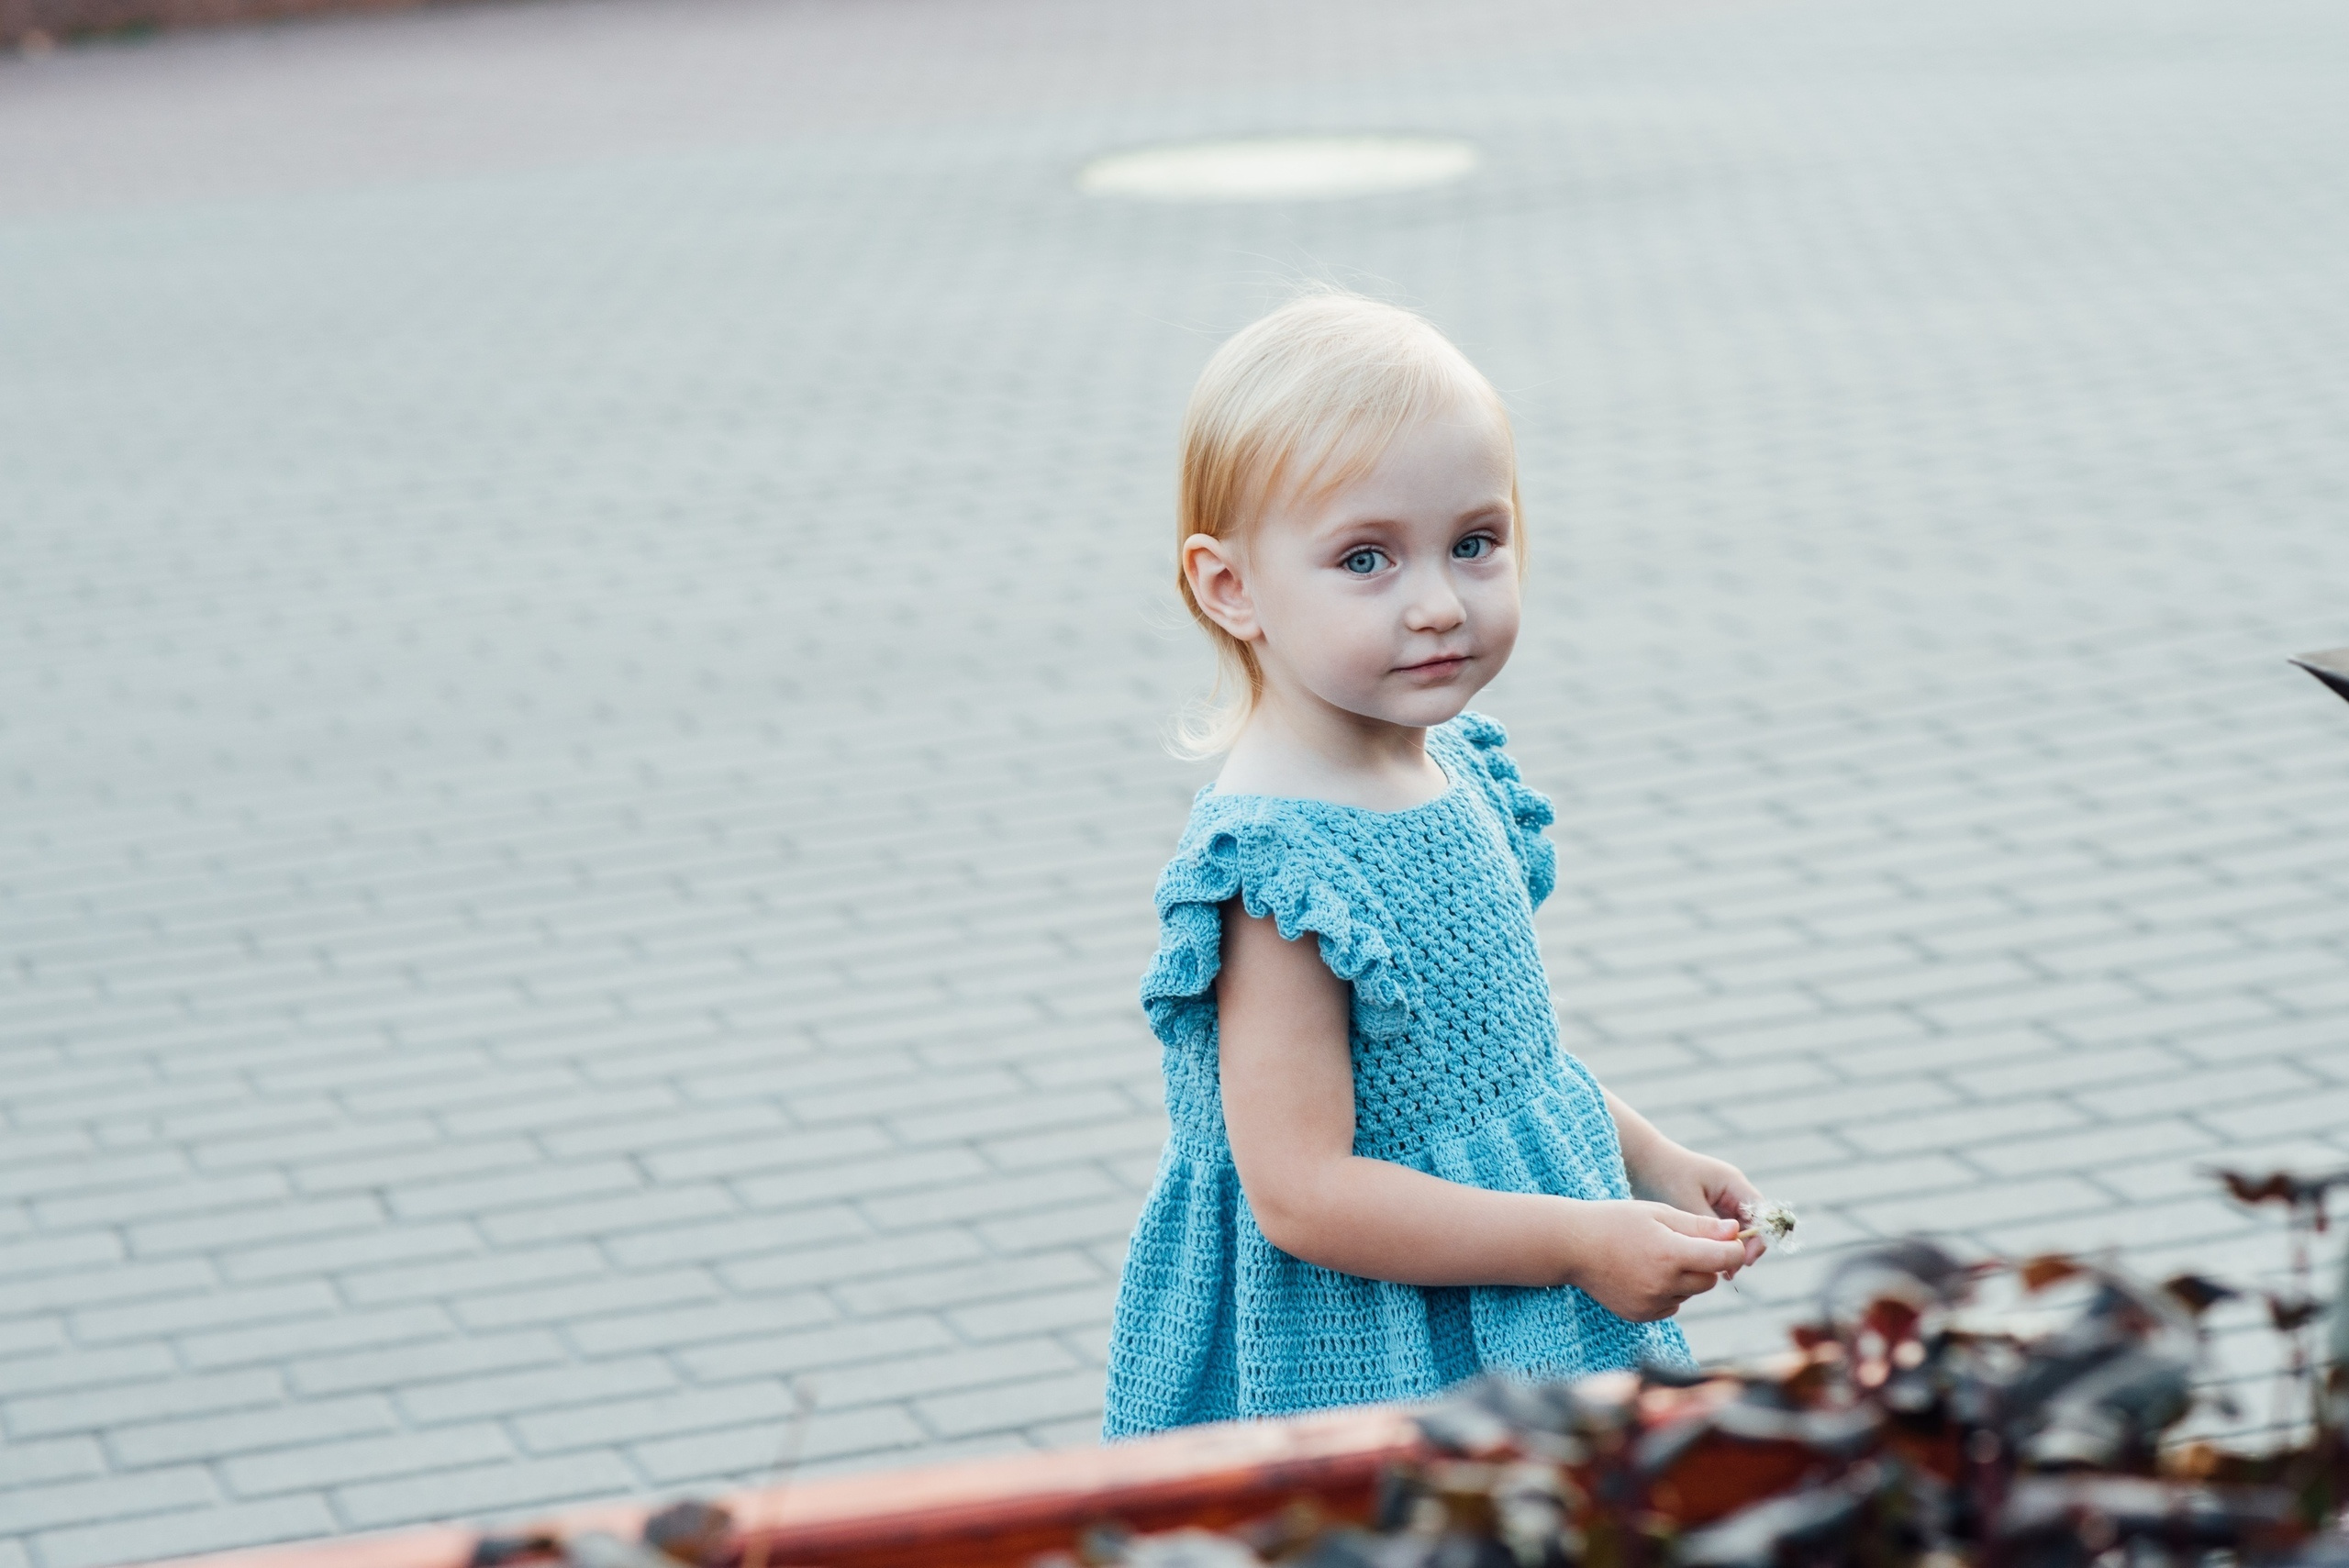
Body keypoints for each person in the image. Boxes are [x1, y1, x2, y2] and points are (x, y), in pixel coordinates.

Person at [1101, 292, 1766, 1439]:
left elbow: (1494, 1061)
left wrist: (1646, 1158)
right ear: (1231, 587)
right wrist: (1573, 1237)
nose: (1437, 603)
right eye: (1366, 558)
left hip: (1515, 1284)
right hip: (1367, 1347)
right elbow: (1301, 1192)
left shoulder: (1451, 764)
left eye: (1474, 542)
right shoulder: (1277, 872)